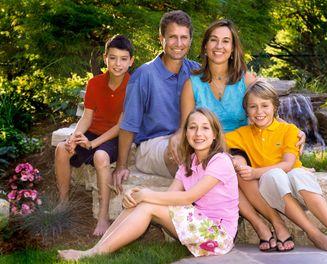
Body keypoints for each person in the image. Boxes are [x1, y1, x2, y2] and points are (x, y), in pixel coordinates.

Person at [169, 19, 297, 252]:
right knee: (227, 165)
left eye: (226, 41)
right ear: (205, 46)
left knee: (236, 166)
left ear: (233, 48)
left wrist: (295, 133)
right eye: (214, 40)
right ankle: (264, 225)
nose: (219, 46)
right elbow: (185, 125)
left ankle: (272, 224)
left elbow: (268, 112)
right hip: (206, 146)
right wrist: (176, 139)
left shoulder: (246, 80)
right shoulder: (192, 84)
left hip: (238, 145)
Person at [58, 108, 239, 260]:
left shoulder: (220, 161)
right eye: (193, 128)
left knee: (146, 205)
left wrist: (145, 195)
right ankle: (97, 249)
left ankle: (93, 253)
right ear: (186, 134)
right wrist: (139, 194)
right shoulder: (188, 162)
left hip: (218, 236)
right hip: (199, 225)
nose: (198, 134)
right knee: (144, 202)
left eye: (205, 128)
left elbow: (188, 197)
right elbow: (169, 196)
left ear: (215, 134)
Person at [225, 79, 327, 254]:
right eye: (253, 107)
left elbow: (288, 164)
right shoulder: (241, 134)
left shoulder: (290, 130)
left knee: (297, 174)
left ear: (275, 107)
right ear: (246, 110)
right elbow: (215, 143)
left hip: (297, 184)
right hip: (273, 188)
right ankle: (313, 233)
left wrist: (254, 172)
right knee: (273, 176)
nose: (259, 112)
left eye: (265, 106)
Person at [54, 35, 134, 236]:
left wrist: (93, 144)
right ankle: (63, 203)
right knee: (62, 149)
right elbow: (87, 118)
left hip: (117, 136)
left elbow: (121, 125)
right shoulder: (95, 83)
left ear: (131, 61)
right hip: (93, 132)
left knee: (100, 156)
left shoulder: (133, 86)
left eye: (123, 59)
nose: (118, 64)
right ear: (105, 58)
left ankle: (103, 216)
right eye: (113, 58)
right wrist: (75, 137)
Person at [112, 10, 199, 190]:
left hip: (187, 137)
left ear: (190, 40)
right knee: (184, 154)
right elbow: (129, 125)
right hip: (153, 145)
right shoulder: (144, 75)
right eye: (173, 37)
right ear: (161, 38)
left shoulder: (197, 71)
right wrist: (121, 165)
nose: (179, 43)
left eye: (184, 37)